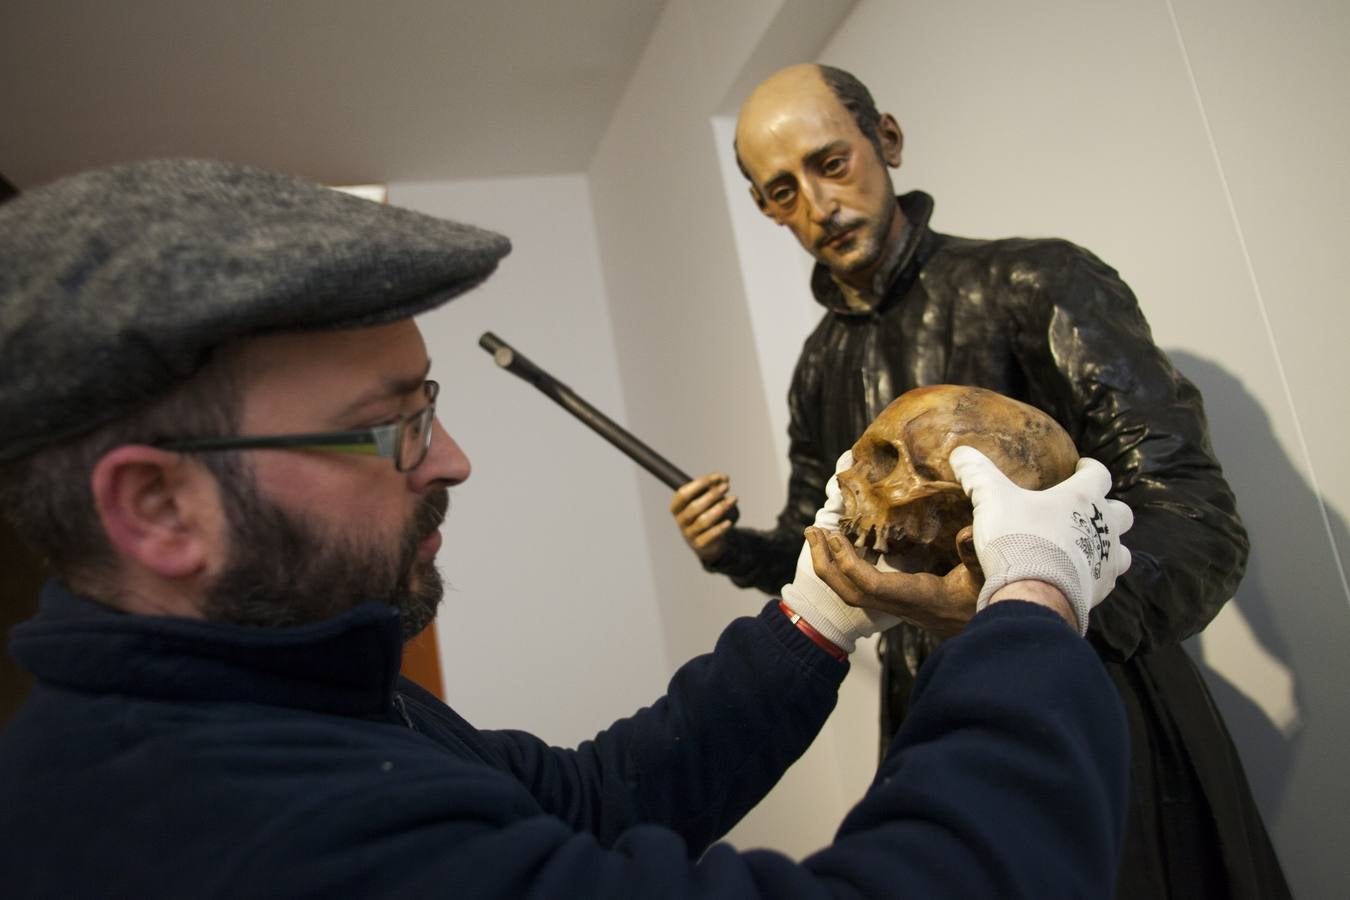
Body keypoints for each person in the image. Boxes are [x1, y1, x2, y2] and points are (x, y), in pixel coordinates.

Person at [0, 158, 1132, 898]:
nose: (452, 460)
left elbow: (596, 801)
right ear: (159, 507)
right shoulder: (226, 830)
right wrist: (1034, 599)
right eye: (388, 429)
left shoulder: (287, 684)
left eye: (428, 405)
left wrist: (821, 607)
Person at [671, 63, 1290, 898]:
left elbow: (1197, 520)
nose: (818, 207)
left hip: (1096, 708)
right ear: (763, 207)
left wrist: (1039, 603)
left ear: (884, 138)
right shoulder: (820, 368)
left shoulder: (1041, 283)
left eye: (831, 163)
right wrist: (733, 547)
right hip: (936, 720)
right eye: (783, 191)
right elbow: (823, 538)